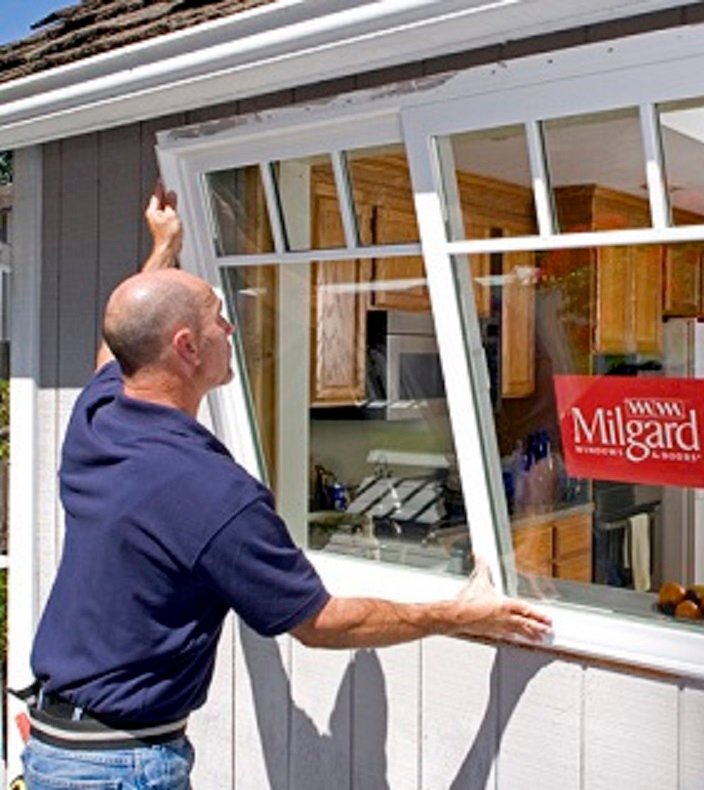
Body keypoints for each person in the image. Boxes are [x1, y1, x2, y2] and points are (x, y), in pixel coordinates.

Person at [19, 185, 551, 789]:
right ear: (187, 347)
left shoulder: (98, 420)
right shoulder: (210, 490)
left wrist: (164, 249)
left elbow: (120, 345)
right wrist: (457, 614)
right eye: (219, 318)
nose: (232, 329)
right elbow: (321, 623)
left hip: (57, 746)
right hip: (117, 768)